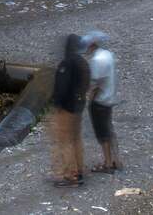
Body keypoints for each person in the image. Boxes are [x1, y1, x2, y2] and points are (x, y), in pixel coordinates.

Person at [49, 33, 91, 187]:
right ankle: (79, 169)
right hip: (79, 107)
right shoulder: (83, 63)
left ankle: (70, 175)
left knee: (65, 141)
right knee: (76, 139)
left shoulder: (66, 63)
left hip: (67, 107)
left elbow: (62, 87)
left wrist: (57, 104)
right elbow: (86, 85)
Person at [84, 32, 120, 172]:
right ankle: (116, 160)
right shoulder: (107, 55)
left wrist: (89, 99)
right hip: (109, 98)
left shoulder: (97, 61)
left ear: (92, 45)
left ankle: (108, 163)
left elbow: (95, 84)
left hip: (100, 101)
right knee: (109, 130)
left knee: (102, 133)